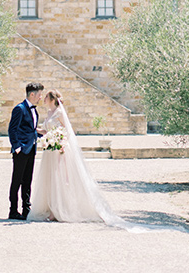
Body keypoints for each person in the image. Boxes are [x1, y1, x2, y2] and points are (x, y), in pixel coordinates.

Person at [29, 89, 136, 229]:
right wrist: (34, 129)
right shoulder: (49, 113)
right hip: (50, 151)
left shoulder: (60, 113)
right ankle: (52, 208)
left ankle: (58, 211)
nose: (43, 99)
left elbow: (67, 131)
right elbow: (46, 131)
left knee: (60, 180)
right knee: (50, 180)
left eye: (46, 97)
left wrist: (60, 141)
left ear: (52, 99)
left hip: (60, 150)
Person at [7, 82, 44, 220]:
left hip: (31, 149)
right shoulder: (19, 109)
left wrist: (44, 134)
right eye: (39, 95)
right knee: (17, 181)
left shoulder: (34, 109)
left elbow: (30, 130)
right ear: (32, 94)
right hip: (21, 150)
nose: (41, 97)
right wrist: (17, 147)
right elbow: (12, 129)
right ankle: (13, 211)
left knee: (27, 181)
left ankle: (26, 209)